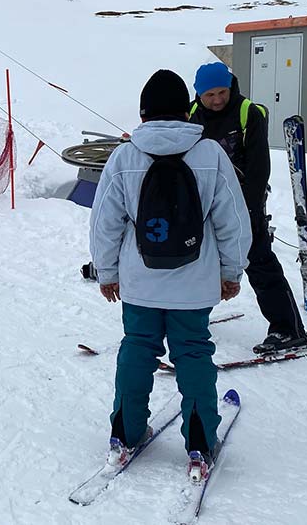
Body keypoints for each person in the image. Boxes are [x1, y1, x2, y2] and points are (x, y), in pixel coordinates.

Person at [89, 69, 251, 478]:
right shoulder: (210, 154)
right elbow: (233, 219)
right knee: (193, 353)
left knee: (137, 348)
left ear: (143, 114)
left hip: (139, 283)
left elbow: (104, 222)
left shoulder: (125, 157)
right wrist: (231, 270)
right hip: (194, 284)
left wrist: (107, 272)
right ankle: (199, 443)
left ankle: (125, 434)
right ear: (187, 110)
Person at [188, 62, 307, 355]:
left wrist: (246, 210)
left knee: (259, 264)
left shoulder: (248, 113)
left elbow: (259, 168)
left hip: (244, 203)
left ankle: (287, 329)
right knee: (200, 262)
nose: (217, 100)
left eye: (222, 92)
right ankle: (191, 318)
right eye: (210, 95)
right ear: (199, 95)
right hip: (204, 204)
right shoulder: (192, 114)